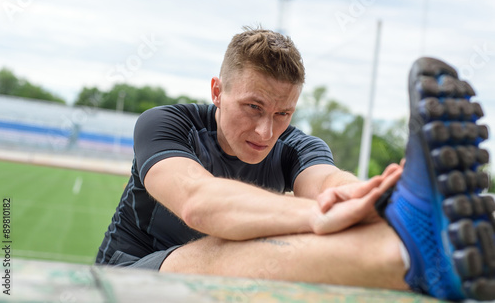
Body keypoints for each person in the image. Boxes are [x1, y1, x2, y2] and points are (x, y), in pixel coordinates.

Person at [96, 27, 495, 301]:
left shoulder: (296, 145)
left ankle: (422, 249)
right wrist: (320, 214)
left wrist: (372, 198)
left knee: (336, 222)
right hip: (126, 281)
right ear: (218, 91)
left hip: (217, 288)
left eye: (284, 113)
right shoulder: (166, 124)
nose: (266, 131)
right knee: (218, 249)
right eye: (253, 107)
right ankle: (416, 255)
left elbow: (328, 182)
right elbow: (199, 201)